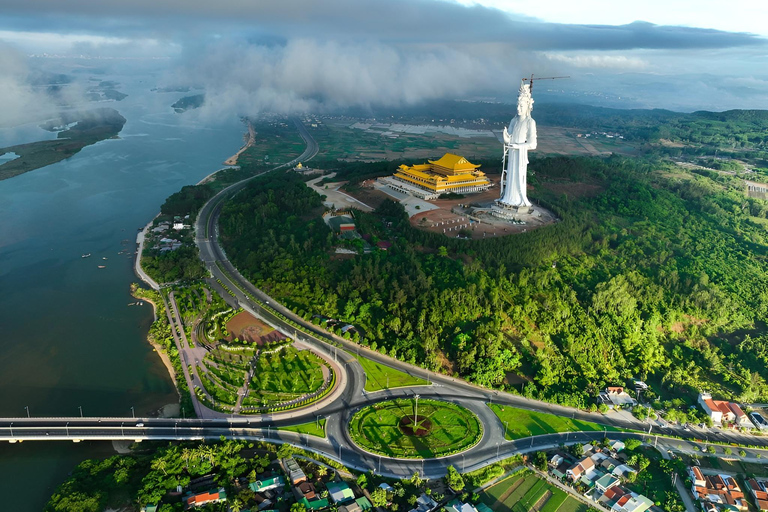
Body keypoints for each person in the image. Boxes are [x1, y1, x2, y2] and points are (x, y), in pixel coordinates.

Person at [499, 82, 537, 207]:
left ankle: (517, 200)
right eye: (517, 106)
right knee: (510, 177)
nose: (518, 109)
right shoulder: (514, 121)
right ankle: (508, 198)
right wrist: (506, 137)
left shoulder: (530, 122)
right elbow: (509, 138)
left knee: (518, 178)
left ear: (528, 106)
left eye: (521, 106)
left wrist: (519, 146)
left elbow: (533, 144)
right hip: (512, 153)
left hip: (520, 155)